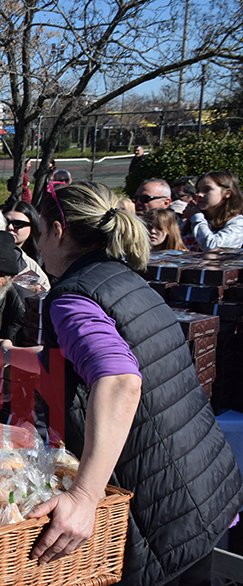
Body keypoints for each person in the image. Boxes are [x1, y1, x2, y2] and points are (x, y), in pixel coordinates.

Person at [19, 180, 242, 586]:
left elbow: (120, 379)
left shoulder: (72, 297)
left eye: (39, 231)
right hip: (201, 481)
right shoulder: (120, 277)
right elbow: (122, 351)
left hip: (162, 503)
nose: (37, 244)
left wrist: (84, 497)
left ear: (58, 231)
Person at [181, 171, 243, 251]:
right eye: (198, 190)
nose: (200, 194)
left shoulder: (237, 223)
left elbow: (213, 247)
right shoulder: (189, 222)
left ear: (227, 193)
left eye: (207, 189)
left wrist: (196, 217)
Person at [4, 200, 44, 268]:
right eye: (5, 222)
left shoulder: (44, 260)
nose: (10, 227)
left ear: (32, 228)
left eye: (18, 224)